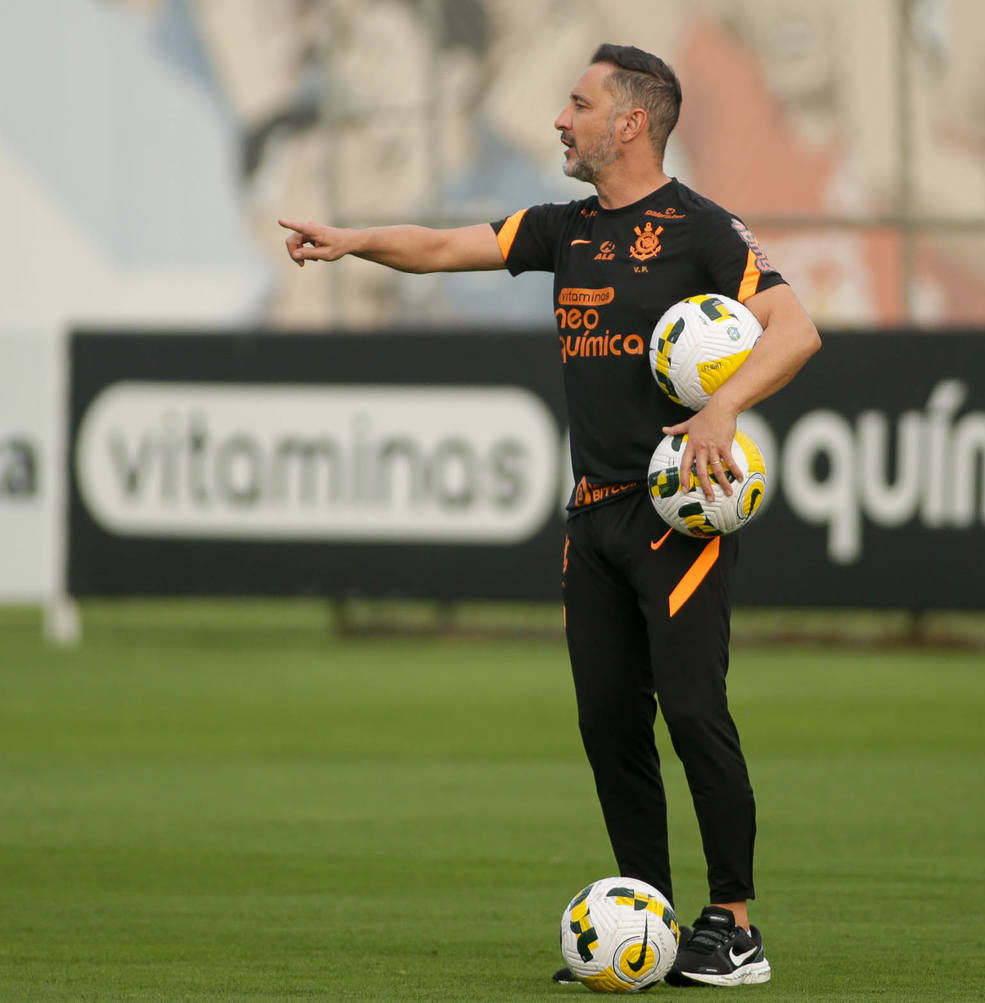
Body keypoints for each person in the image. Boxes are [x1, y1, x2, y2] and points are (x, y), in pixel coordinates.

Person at [279, 43, 820, 988]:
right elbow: (451, 248)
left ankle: (733, 924)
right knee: (609, 723)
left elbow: (797, 329)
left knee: (694, 714)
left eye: (578, 104)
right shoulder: (565, 228)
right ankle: (647, 916)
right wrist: (357, 239)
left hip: (676, 518)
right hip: (594, 521)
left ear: (632, 123)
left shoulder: (702, 229)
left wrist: (724, 406)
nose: (560, 120)